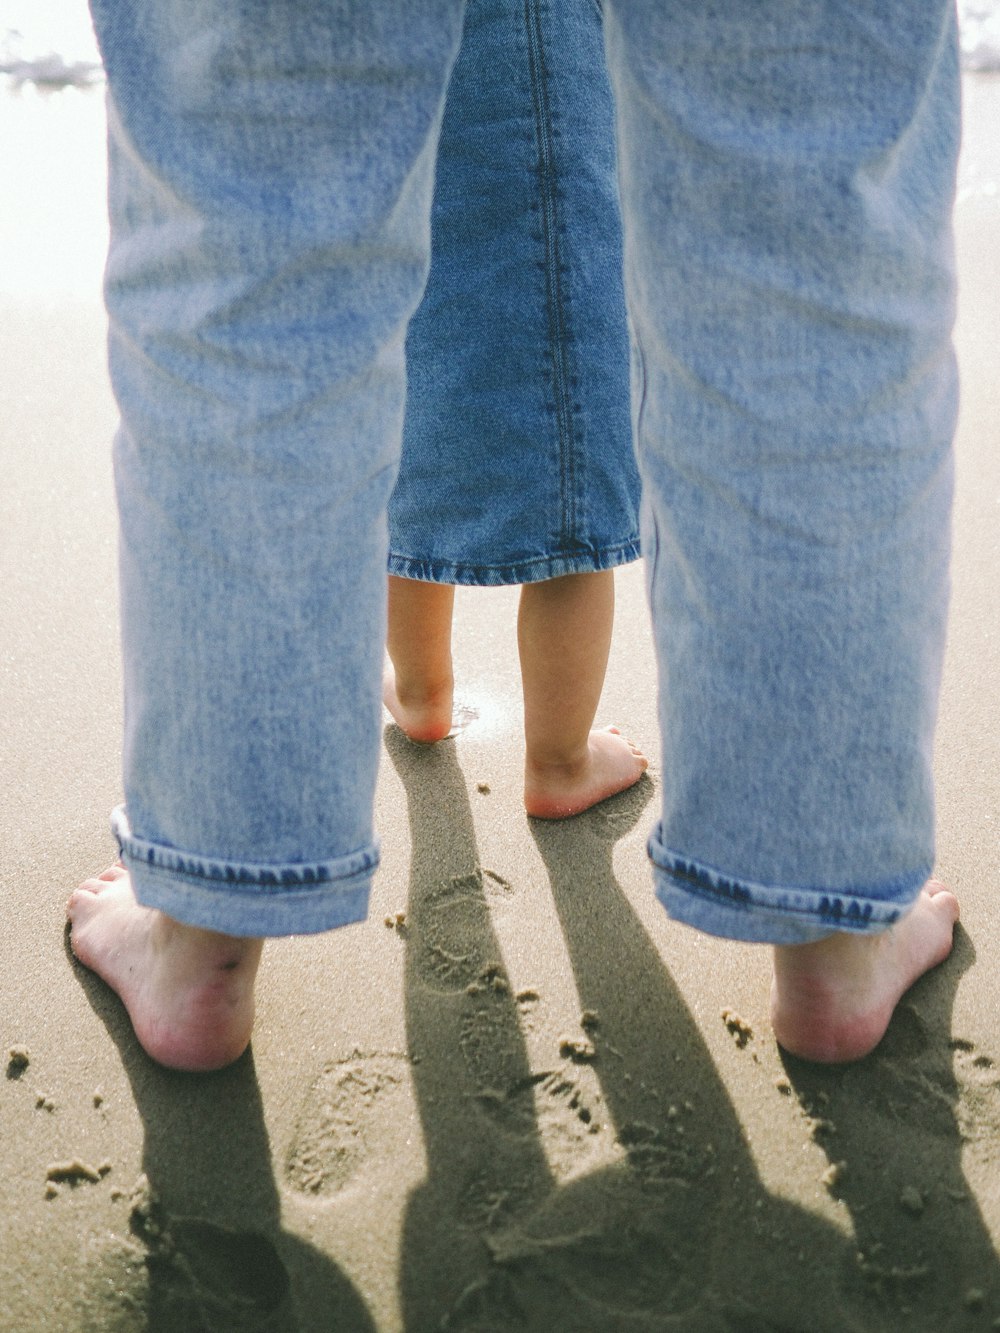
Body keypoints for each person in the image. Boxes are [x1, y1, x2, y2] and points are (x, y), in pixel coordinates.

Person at [69, 0, 961, 1073]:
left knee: (259, 260)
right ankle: (809, 927)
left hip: (429, 336)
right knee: (802, 245)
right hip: (562, 301)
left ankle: (209, 927)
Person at [381, 0, 646, 817]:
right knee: (570, 486)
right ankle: (561, 760)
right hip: (533, 87)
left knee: (417, 435)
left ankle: (424, 694)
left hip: (401, 94)